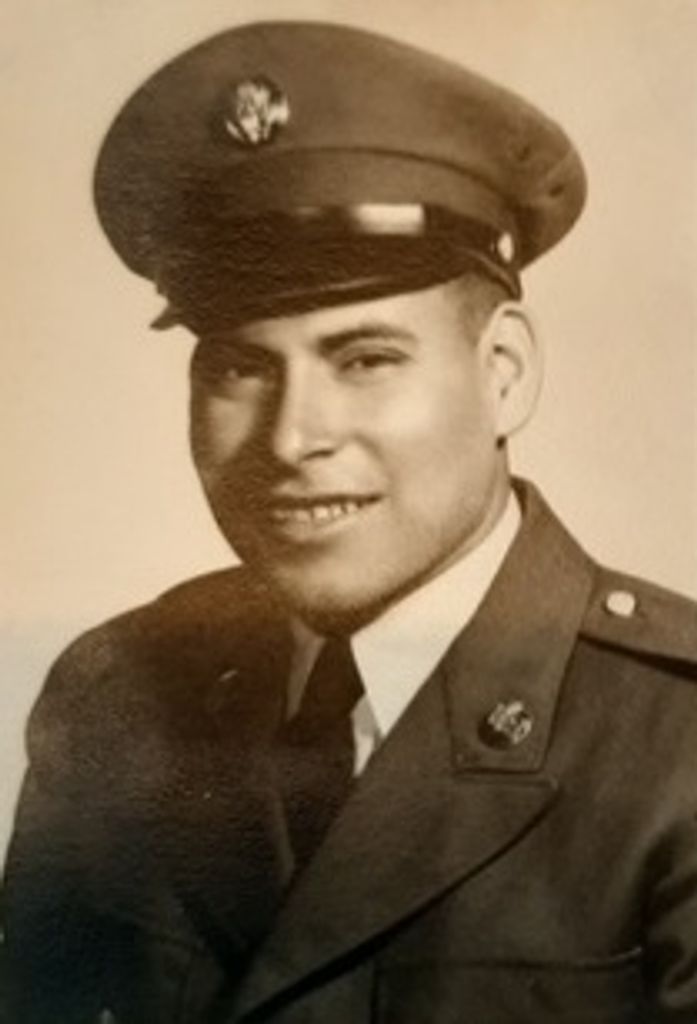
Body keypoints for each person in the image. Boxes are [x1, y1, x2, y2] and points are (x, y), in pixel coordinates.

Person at [3, 20, 697, 1024]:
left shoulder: (675, 744)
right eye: (240, 366)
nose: (292, 438)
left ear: (503, 374)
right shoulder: (113, 701)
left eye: (366, 359)